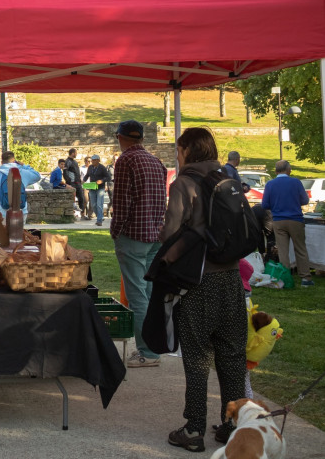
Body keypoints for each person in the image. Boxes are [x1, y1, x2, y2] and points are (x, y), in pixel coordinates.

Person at [163, 128, 246, 453]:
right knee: (232, 356)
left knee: (197, 358)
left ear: (186, 150)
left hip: (199, 281)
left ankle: (194, 427)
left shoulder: (184, 183)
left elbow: (170, 234)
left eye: (178, 149)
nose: (177, 154)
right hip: (232, 280)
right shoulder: (229, 177)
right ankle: (233, 425)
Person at [109, 120, 167, 368]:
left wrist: (115, 230)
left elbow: (121, 202)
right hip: (154, 233)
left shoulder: (125, 161)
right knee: (150, 294)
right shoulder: (157, 161)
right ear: (141, 138)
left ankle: (148, 351)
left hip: (133, 234)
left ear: (120, 137)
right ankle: (155, 345)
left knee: (136, 294)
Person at [261, 160, 313, 287]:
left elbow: (265, 205)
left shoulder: (270, 184)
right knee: (300, 248)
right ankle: (305, 278)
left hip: (278, 220)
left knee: (283, 250)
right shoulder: (295, 182)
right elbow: (305, 200)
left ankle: (285, 277)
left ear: (275, 171)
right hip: (295, 219)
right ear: (288, 169)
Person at [0, 150, 42, 220]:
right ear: (14, 161)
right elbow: (37, 176)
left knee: (3, 231)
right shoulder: (22, 172)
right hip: (21, 210)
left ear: (2, 162)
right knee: (19, 230)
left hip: (3, 210)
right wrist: (24, 166)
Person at [83, 154, 112, 226]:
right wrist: (84, 180)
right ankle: (100, 216)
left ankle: (99, 221)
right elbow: (87, 175)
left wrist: (101, 181)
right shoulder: (90, 167)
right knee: (93, 205)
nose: (92, 161)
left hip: (100, 188)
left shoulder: (102, 168)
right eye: (92, 160)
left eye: (94, 160)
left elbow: (108, 177)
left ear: (98, 160)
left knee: (99, 204)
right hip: (92, 188)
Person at [65, 149, 86, 218]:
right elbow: (65, 172)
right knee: (72, 199)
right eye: (76, 153)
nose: (76, 154)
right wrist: (69, 181)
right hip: (72, 183)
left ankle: (82, 214)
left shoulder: (75, 162)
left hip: (78, 183)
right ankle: (71, 215)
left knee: (82, 199)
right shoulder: (67, 161)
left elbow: (77, 173)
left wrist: (80, 181)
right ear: (73, 153)